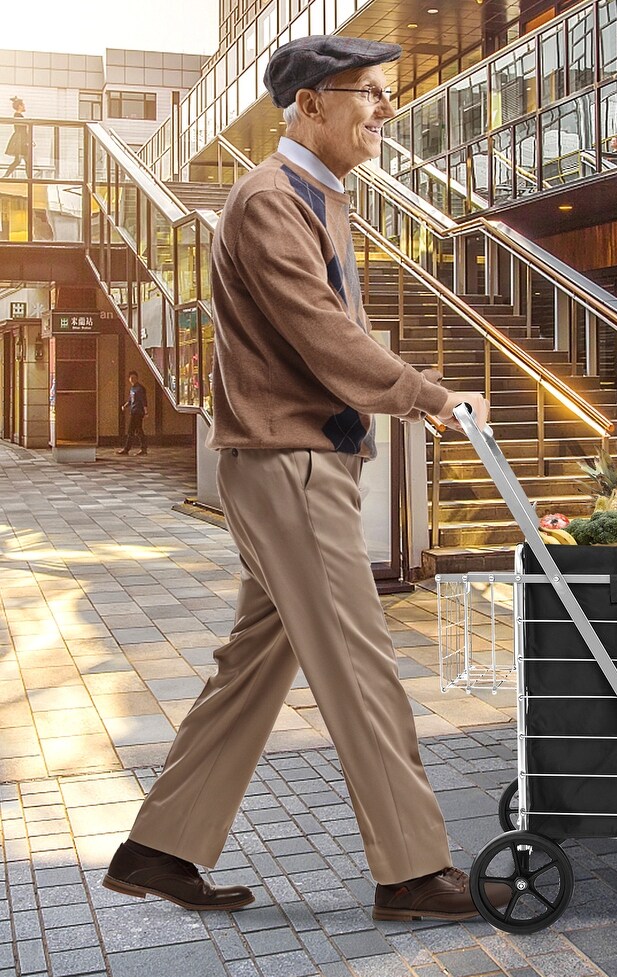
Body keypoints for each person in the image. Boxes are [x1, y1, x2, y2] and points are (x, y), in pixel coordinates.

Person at [103, 35, 501, 922]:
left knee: (254, 666)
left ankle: (158, 849)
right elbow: (325, 336)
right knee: (360, 665)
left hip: (300, 461)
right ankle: (411, 870)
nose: (386, 110)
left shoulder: (318, 198)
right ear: (312, 103)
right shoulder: (269, 202)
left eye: (387, 94)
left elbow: (331, 336)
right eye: (370, 93)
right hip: (289, 467)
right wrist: (428, 398)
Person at [118, 371, 148, 455]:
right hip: (133, 411)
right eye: (131, 378)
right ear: (129, 379)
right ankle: (142, 448)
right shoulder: (132, 389)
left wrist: (146, 412)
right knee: (138, 430)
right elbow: (131, 400)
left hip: (138, 412)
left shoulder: (140, 388)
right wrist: (125, 406)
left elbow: (144, 401)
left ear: (137, 378)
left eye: (134, 378)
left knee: (133, 431)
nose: (132, 379)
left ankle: (128, 449)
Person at [4, 96, 28, 178]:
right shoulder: (18, 116)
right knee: (21, 160)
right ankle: (6, 176)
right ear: (19, 106)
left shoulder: (18, 115)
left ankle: (6, 176)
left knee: (22, 160)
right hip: (20, 141)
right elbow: (22, 131)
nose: (24, 106)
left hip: (21, 140)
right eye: (23, 105)